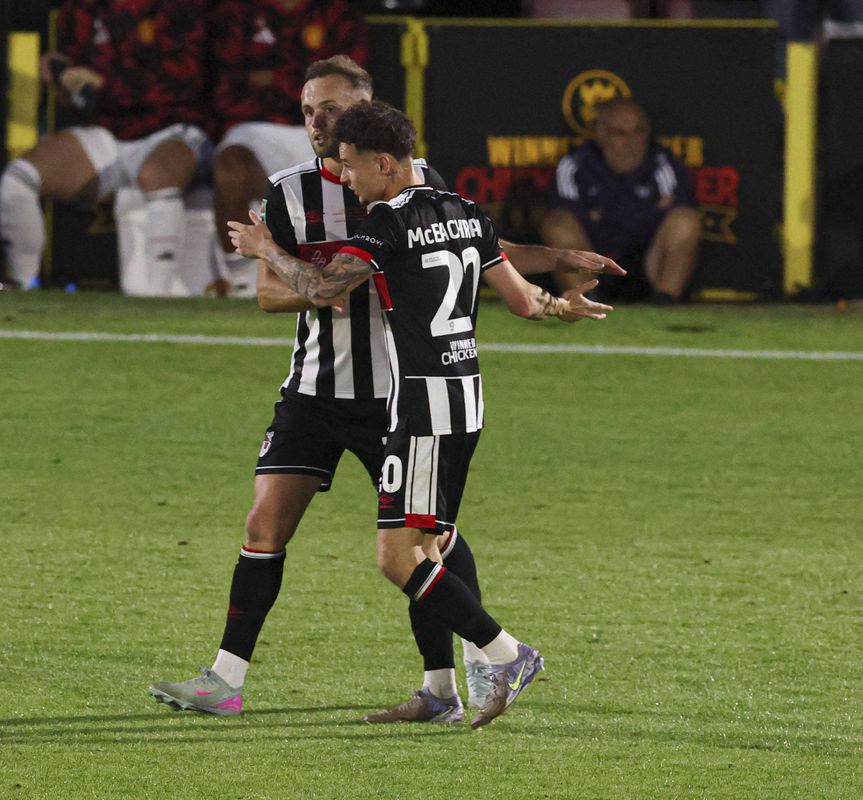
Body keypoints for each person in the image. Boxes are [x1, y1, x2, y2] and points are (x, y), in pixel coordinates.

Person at [148, 57, 623, 722]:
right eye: (310, 110)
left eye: (333, 111)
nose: (318, 123)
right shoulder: (287, 192)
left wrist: (547, 267)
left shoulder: (415, 192)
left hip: (398, 395)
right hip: (315, 389)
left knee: (426, 546)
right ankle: (226, 679)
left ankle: (449, 682)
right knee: (266, 524)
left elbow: (480, 245)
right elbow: (269, 295)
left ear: (369, 123)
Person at [0, 0, 209, 289]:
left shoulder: (179, 8)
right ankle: (23, 284)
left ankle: (159, 295)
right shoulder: (81, 10)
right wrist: (61, 77)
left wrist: (103, 84)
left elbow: (186, 83)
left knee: (156, 175)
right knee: (17, 180)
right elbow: (77, 99)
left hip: (173, 128)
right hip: (107, 130)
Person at [207, 0, 368, 296]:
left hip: (333, 128)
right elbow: (225, 88)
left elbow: (351, 81)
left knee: (371, 173)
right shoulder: (239, 10)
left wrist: (270, 79)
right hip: (258, 128)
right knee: (230, 166)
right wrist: (296, 83)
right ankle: (241, 278)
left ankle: (370, 270)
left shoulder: (336, 10)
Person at [541, 98, 701, 304]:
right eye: (620, 133)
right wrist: (647, 210)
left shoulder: (663, 162)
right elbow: (563, 219)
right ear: (600, 136)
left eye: (639, 131)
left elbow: (679, 214)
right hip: (594, 266)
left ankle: (665, 304)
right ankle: (585, 303)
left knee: (686, 220)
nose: (631, 141)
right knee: (557, 224)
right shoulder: (574, 165)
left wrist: (600, 214)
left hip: (649, 265)